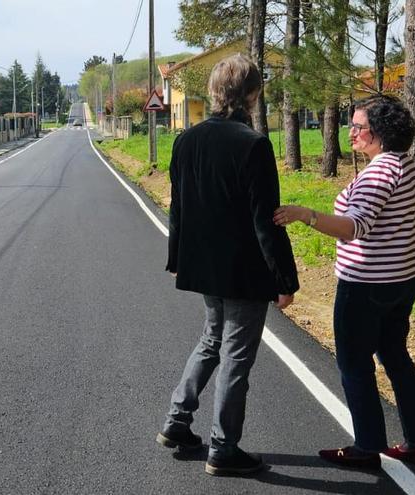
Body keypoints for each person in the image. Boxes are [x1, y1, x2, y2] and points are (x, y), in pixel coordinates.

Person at [273, 95, 415, 469]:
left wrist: (305, 214)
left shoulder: (380, 171)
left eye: (358, 127)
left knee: (353, 362)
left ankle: (367, 447)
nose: (352, 133)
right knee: (395, 355)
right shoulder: (404, 165)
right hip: (403, 279)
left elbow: (352, 228)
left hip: (367, 284)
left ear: (378, 133)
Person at [156, 54, 299, 477]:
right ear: (252, 95)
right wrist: (285, 279)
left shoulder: (186, 140)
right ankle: (224, 447)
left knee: (210, 342)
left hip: (203, 267)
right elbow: (265, 220)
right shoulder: (253, 144)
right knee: (236, 356)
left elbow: (178, 209)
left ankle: (176, 423)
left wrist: (177, 259)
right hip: (243, 272)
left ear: (215, 93)